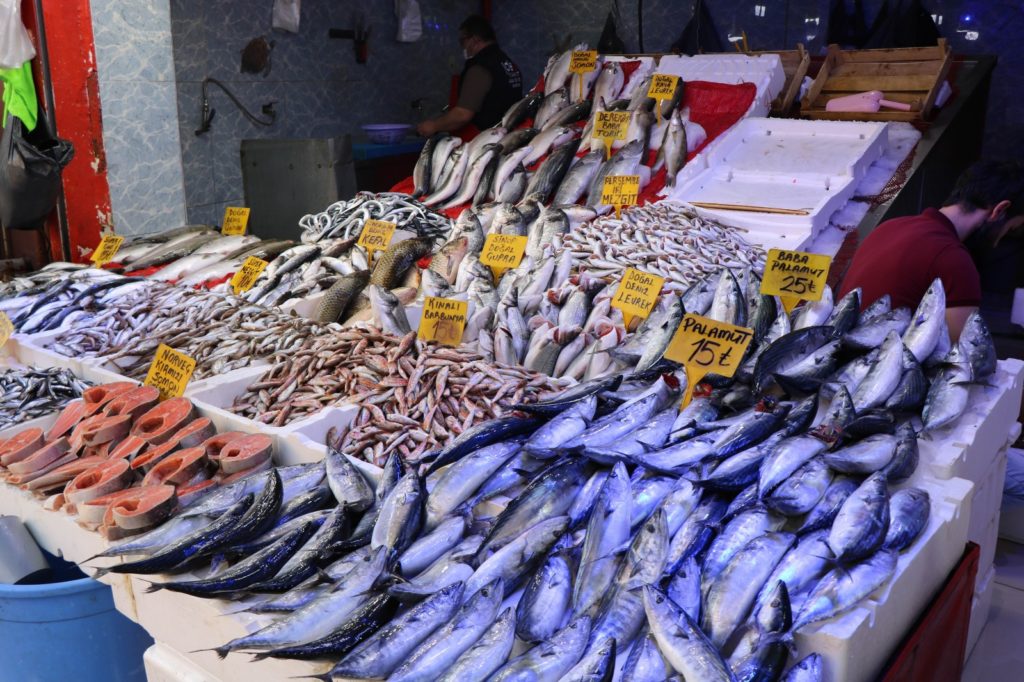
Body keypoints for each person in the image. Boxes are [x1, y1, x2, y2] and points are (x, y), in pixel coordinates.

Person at [839, 159, 1024, 341]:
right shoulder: (954, 259)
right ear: (999, 210)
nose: (998, 243)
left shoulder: (888, 227)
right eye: (1011, 230)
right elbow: (960, 352)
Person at [416, 15, 522, 138]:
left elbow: (462, 115)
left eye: (462, 41)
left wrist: (433, 126)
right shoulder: (506, 62)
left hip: (484, 140)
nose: (462, 46)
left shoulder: (481, 67)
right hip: (508, 136)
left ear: (474, 40)